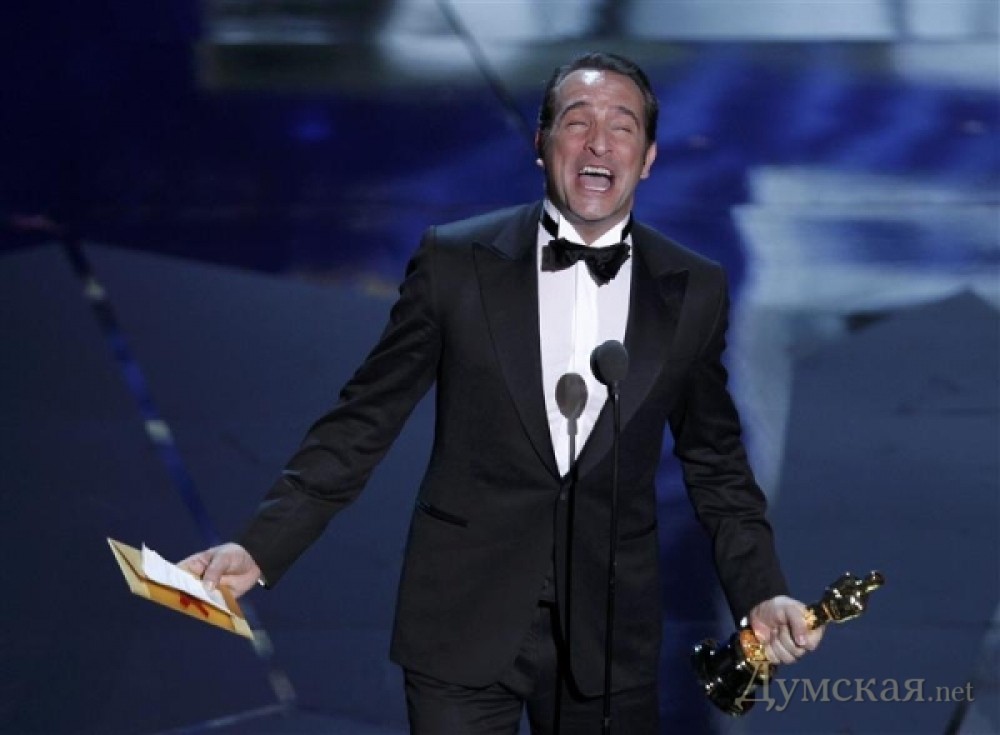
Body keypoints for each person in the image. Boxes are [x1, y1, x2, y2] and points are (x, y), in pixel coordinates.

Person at [180, 52, 823, 734]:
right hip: (461, 617)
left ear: (649, 157)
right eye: (577, 122)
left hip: (609, 632)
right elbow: (362, 421)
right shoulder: (457, 261)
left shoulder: (690, 285)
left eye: (622, 126)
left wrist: (760, 588)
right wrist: (261, 547)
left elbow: (717, 463)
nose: (599, 143)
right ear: (541, 145)